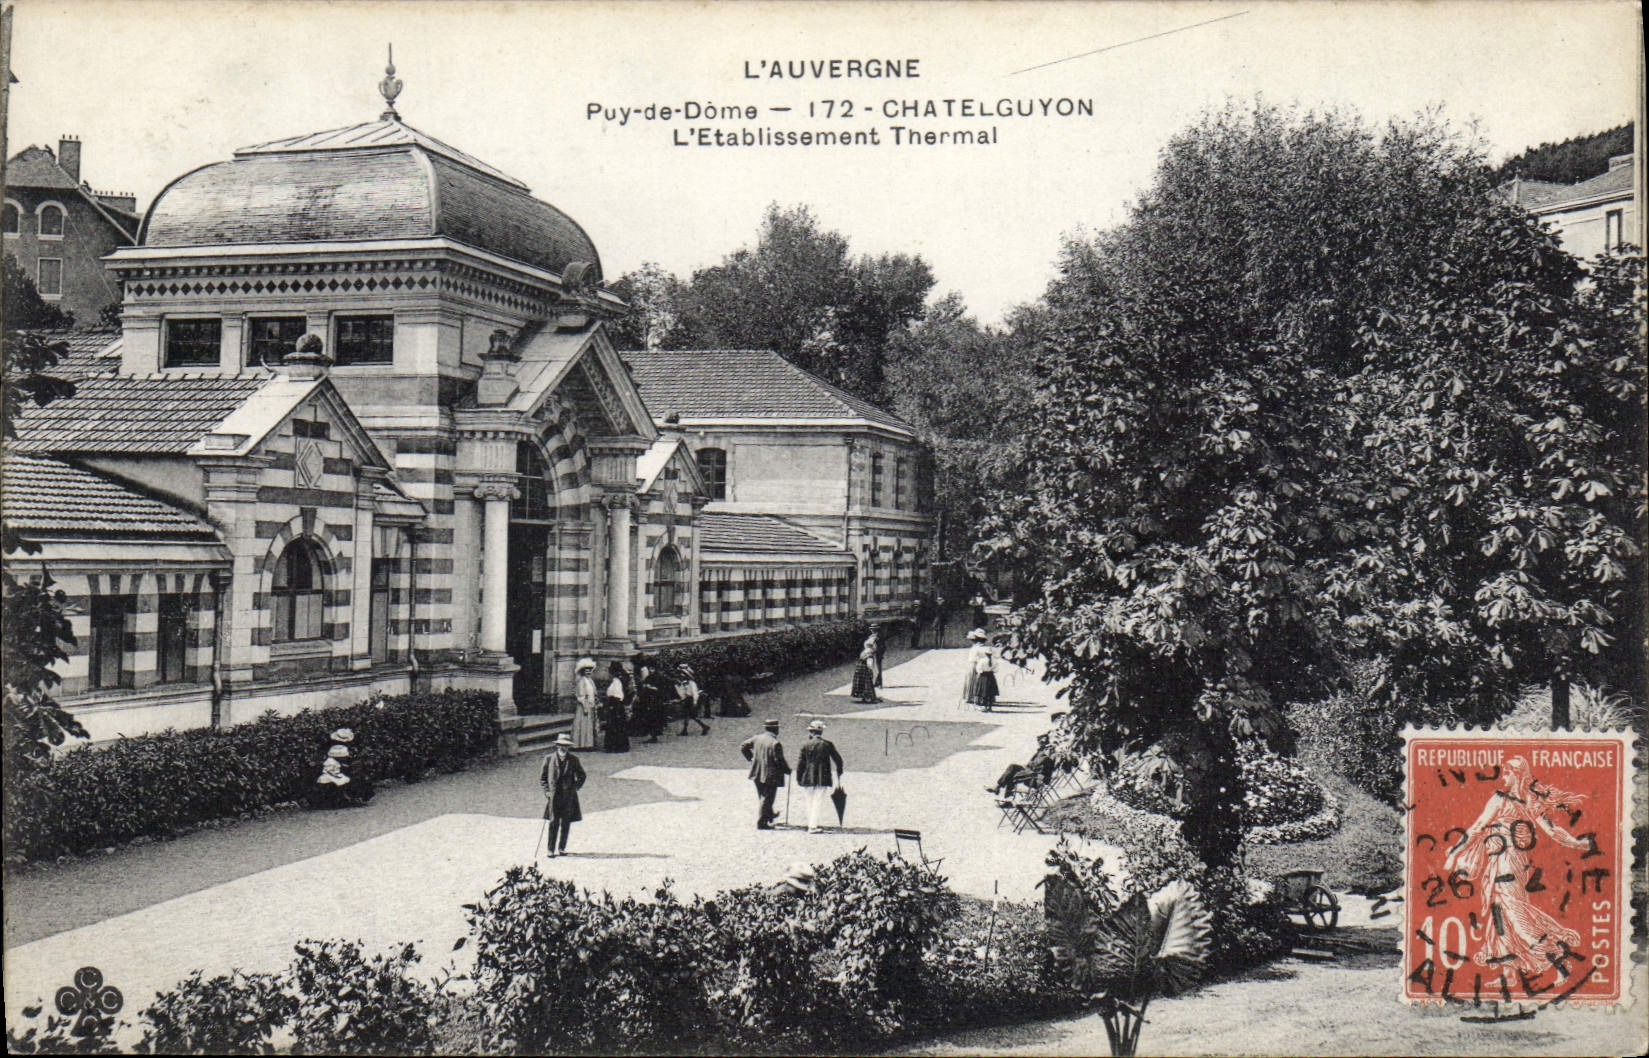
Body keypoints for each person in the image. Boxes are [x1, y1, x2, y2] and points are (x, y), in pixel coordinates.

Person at [1444, 755, 1589, 975]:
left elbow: (1477, 827)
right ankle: (1509, 973)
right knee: (1499, 914)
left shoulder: (1501, 799)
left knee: (1513, 912)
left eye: (1507, 773)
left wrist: (1455, 853)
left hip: (1506, 862)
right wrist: (1576, 843)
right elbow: (1552, 831)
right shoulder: (1530, 802)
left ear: (1517, 775)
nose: (1503, 777)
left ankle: (1558, 957)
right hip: (1511, 863)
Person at [540, 733, 587, 857]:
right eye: (561, 745)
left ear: (568, 747)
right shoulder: (548, 759)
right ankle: (550, 849)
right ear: (556, 746)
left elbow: (582, 775)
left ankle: (562, 848)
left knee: (566, 822)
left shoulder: (573, 759)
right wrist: (547, 791)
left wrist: (575, 788)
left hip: (568, 797)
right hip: (554, 796)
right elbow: (543, 778)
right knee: (553, 822)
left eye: (565, 746)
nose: (563, 748)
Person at [795, 720, 845, 833]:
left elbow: (800, 763)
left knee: (809, 800)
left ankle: (810, 824)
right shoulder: (827, 744)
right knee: (818, 801)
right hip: (823, 777)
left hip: (808, 776)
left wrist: (798, 777)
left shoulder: (805, 744)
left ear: (811, 732)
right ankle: (813, 826)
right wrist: (839, 771)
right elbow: (838, 759)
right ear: (821, 732)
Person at [740, 719, 791, 830]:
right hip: (770, 775)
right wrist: (787, 770)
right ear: (775, 729)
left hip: (756, 772)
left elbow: (743, 746)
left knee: (763, 796)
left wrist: (751, 758)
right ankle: (762, 823)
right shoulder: (775, 743)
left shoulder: (757, 738)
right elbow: (779, 760)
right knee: (768, 798)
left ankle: (769, 815)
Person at [987, 733, 1057, 797]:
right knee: (1013, 767)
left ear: (1044, 741)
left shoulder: (1047, 752)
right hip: (1032, 773)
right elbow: (1034, 764)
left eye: (1039, 741)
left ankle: (1005, 794)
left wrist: (1028, 766)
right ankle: (1000, 789)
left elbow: (1039, 764)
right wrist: (1027, 766)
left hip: (1036, 778)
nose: (1038, 743)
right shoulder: (1043, 751)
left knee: (1012, 774)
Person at [964, 629, 999, 711]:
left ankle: (974, 697)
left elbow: (975, 659)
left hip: (976, 665)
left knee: (976, 681)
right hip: (980, 665)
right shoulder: (984, 648)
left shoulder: (976, 648)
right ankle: (984, 699)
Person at [601, 660, 631, 753]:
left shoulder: (617, 682)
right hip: (615, 705)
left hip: (616, 706)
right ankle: (615, 745)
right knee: (615, 726)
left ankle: (617, 746)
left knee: (616, 726)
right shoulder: (615, 681)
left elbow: (618, 696)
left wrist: (612, 705)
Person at [572, 657, 599, 750]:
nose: (588, 672)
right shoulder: (581, 681)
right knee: (583, 724)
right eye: (586, 670)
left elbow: (594, 693)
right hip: (584, 705)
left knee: (589, 725)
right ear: (583, 671)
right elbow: (581, 695)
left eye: (590, 670)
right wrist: (585, 706)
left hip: (591, 704)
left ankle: (588, 744)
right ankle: (581, 744)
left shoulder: (590, 681)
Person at [676, 664, 710, 736]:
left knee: (693, 715)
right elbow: (682, 693)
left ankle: (704, 726)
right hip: (687, 699)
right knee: (686, 715)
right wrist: (682, 699)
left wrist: (695, 702)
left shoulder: (692, 683)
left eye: (683, 674)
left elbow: (695, 693)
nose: (681, 675)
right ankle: (685, 730)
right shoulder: (682, 683)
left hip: (692, 700)